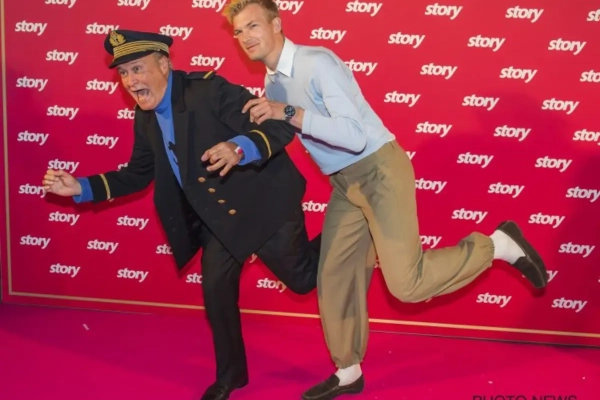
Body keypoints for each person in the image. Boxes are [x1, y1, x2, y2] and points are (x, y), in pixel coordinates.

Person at [222, 1, 550, 399]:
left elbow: (354, 136)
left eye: (253, 25)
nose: (246, 37)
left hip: (378, 170)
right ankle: (348, 371)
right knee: (335, 276)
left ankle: (497, 245)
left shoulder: (317, 63)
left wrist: (289, 111)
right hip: (345, 184)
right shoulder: (273, 84)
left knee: (407, 285)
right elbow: (287, 132)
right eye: (238, 31)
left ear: (276, 23)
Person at [42, 29, 321, 400]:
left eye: (137, 69)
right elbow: (138, 173)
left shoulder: (208, 90)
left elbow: (277, 125)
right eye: (123, 73)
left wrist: (238, 148)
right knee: (216, 293)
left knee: (303, 280)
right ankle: (232, 376)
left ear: (164, 64)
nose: (131, 81)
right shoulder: (144, 118)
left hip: (263, 204)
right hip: (220, 220)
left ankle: (350, 233)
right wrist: (80, 187)